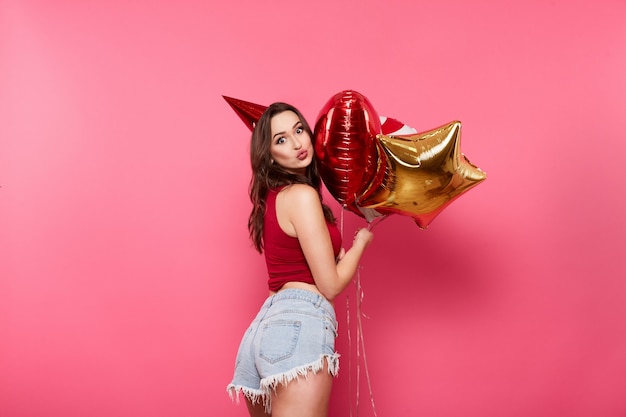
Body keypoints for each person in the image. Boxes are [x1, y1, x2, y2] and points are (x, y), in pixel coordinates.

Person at [227, 102, 374, 417]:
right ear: (269, 155)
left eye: (299, 130)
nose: (296, 143)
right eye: (281, 140)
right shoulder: (302, 197)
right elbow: (330, 285)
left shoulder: (273, 199)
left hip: (262, 330)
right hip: (299, 324)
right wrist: (361, 242)